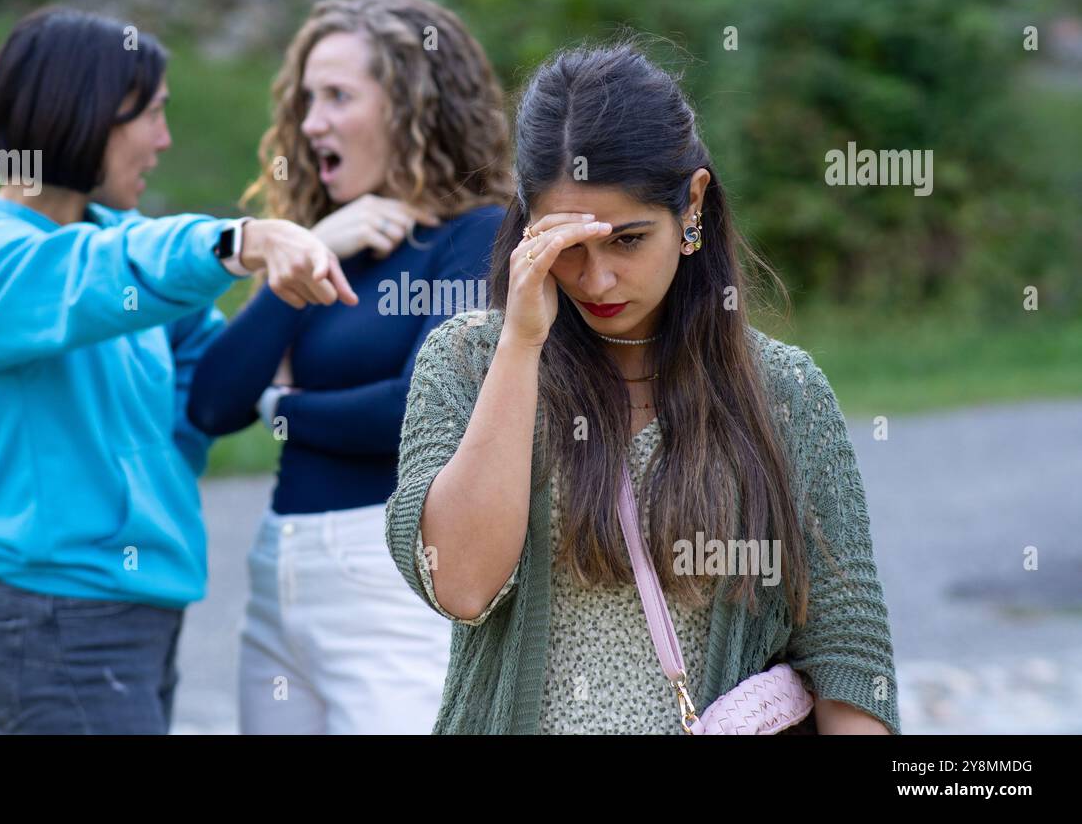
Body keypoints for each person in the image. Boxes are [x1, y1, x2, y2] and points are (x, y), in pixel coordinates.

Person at [385, 41, 901, 734]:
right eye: (568, 245)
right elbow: (463, 584)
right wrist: (520, 345)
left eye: (627, 240)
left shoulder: (783, 391)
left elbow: (849, 662)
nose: (596, 280)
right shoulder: (469, 361)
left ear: (691, 203)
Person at [0, 7, 355, 734]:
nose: (166, 140)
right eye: (151, 115)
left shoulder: (115, 238)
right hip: (58, 621)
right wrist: (239, 240)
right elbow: (89, 278)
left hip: (137, 612)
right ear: (83, 114)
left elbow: (208, 383)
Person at [186, 0, 512, 733]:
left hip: (388, 580)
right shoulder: (325, 240)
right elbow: (210, 400)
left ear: (411, 106)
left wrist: (281, 410)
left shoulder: (474, 235)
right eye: (307, 99)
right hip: (278, 573)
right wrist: (319, 244)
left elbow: (418, 412)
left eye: (337, 96)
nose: (311, 123)